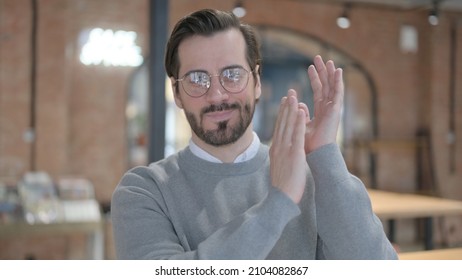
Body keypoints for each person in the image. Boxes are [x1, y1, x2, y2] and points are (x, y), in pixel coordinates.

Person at [111, 8, 398, 260]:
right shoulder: (144, 191)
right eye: (197, 79)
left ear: (257, 81)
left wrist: (325, 154)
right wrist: (279, 202)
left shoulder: (311, 176)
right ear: (176, 92)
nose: (217, 94)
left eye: (232, 74)